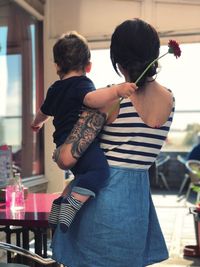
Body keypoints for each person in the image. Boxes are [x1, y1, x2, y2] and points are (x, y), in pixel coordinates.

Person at [51, 18, 175, 267]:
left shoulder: (110, 99)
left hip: (101, 202)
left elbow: (67, 158)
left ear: (117, 59)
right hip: (137, 205)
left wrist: (57, 151)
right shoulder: (170, 99)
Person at [31, 31, 136, 232]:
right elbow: (91, 100)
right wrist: (116, 91)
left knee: (79, 178)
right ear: (88, 66)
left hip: (62, 145)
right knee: (100, 172)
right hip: (83, 149)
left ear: (57, 66)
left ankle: (58, 205)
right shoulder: (83, 84)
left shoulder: (54, 89)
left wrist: (37, 123)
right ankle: (72, 203)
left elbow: (42, 112)